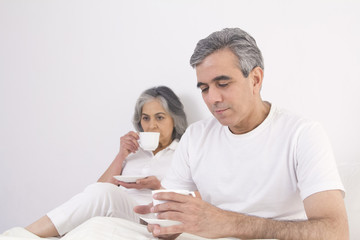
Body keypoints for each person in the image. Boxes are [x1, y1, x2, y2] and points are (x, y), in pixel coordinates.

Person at [134, 28, 349, 239]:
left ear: (255, 79)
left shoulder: (302, 135)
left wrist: (229, 222)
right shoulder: (195, 137)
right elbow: (171, 219)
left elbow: (335, 232)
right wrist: (163, 225)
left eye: (223, 84)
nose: (212, 98)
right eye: (204, 88)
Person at [25, 86, 188, 237]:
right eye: (146, 118)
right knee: (101, 196)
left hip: (151, 218)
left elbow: (189, 201)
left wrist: (157, 187)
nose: (151, 125)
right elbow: (96, 191)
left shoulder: (184, 152)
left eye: (159, 117)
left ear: (174, 119)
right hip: (120, 212)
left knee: (105, 194)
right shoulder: (133, 152)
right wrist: (121, 155)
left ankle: (24, 235)